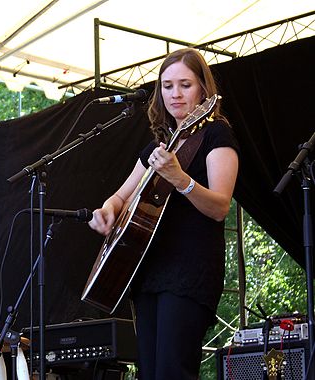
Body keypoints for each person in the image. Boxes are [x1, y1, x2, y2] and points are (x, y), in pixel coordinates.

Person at [88, 48, 239, 380]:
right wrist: (107, 211)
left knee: (173, 371)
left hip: (190, 272)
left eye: (185, 84)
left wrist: (180, 178)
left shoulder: (216, 135)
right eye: (168, 86)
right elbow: (119, 197)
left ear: (203, 89)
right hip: (148, 273)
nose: (175, 94)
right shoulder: (157, 148)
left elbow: (220, 206)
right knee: (150, 372)